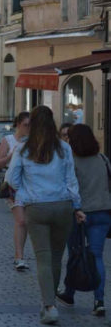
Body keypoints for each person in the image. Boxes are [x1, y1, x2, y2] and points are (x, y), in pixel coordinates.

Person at [8, 106, 85, 325]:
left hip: (37, 207)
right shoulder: (64, 148)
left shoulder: (24, 149)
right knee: (56, 256)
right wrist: (77, 206)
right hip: (62, 206)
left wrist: (25, 192)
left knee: (42, 257)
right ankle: (50, 301)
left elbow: (12, 180)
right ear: (53, 123)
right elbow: (71, 180)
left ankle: (49, 306)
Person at [56, 124, 111, 316]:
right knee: (96, 256)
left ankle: (69, 293)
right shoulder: (103, 159)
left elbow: (67, 188)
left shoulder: (71, 161)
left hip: (79, 213)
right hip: (103, 212)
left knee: (75, 254)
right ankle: (99, 300)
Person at [0, 111, 31, 271]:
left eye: (31, 125)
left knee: (26, 222)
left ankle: (20, 256)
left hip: (29, 184)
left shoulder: (34, 142)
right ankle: (19, 257)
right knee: (21, 220)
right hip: (12, 184)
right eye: (26, 125)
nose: (29, 128)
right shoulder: (8, 140)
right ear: (18, 125)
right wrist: (11, 156)